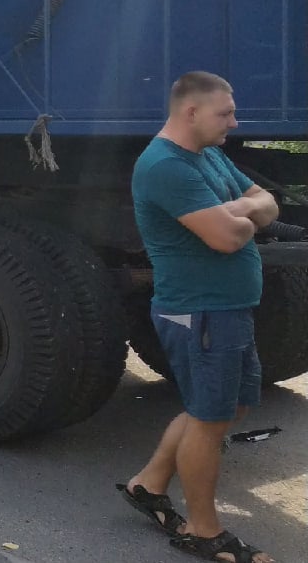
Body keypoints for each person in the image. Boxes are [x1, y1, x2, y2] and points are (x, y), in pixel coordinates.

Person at [117, 72, 277, 563]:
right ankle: (204, 531)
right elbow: (226, 239)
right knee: (210, 419)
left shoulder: (207, 154)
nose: (235, 120)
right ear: (191, 112)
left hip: (227, 309)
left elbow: (267, 202)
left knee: (228, 409)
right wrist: (240, 218)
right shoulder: (165, 165)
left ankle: (150, 482)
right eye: (225, 113)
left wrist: (238, 211)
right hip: (200, 311)